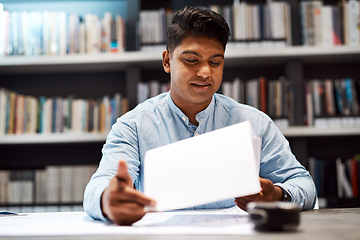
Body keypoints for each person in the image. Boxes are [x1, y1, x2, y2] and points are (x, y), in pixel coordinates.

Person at [83, 6, 317, 226]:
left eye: (215, 62)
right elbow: (99, 185)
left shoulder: (255, 124)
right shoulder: (133, 126)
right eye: (192, 60)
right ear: (167, 61)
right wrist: (107, 200)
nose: (205, 72)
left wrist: (277, 194)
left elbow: (304, 184)